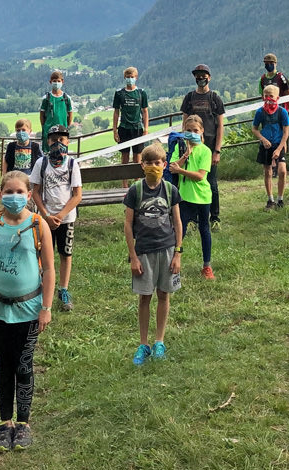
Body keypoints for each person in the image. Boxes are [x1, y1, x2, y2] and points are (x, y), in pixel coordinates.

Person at [0, 171, 55, 452]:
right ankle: (4, 422)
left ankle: (23, 423)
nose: (14, 197)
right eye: (8, 191)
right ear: (0, 194)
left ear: (29, 194)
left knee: (23, 363)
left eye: (20, 192)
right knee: (3, 364)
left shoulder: (38, 225)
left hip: (30, 310)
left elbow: (48, 270)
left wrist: (46, 308)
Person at [124, 143, 183, 365]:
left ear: (164, 165)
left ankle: (159, 340)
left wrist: (178, 253)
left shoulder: (170, 190)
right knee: (145, 297)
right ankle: (143, 344)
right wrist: (133, 256)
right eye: (148, 163)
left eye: (157, 163)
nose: (153, 167)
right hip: (144, 252)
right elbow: (128, 225)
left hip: (167, 250)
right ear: (142, 165)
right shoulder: (134, 191)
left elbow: (177, 222)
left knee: (164, 295)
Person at [29, 125, 82, 312]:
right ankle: (43, 287)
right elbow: (35, 192)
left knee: (65, 254)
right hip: (46, 218)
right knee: (44, 255)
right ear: (47, 141)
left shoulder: (72, 164)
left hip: (66, 219)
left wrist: (59, 215)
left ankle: (63, 288)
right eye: (53, 140)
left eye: (62, 139)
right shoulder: (41, 164)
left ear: (67, 142)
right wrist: (45, 214)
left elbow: (77, 195)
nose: (58, 143)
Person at [179, 64, 225, 229]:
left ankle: (214, 217)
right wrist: (185, 146)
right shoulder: (189, 98)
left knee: (211, 182)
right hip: (191, 147)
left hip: (210, 148)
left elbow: (220, 126)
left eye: (203, 75)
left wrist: (217, 150)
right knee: (191, 181)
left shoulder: (215, 98)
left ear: (209, 77)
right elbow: (184, 124)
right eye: (197, 76)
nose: (200, 78)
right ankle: (194, 218)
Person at [169, 115, 215, 280]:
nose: (192, 133)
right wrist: (185, 156)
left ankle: (207, 266)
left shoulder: (205, 151)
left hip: (202, 197)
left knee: (204, 230)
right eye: (188, 130)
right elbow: (172, 167)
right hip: (184, 197)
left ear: (202, 131)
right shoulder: (180, 148)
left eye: (195, 130)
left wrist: (181, 171)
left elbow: (200, 176)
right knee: (180, 231)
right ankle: (175, 261)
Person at [252, 85, 289, 210]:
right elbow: (255, 129)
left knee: (282, 171)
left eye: (271, 96)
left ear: (277, 98)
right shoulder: (260, 112)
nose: (268, 99)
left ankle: (280, 199)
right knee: (268, 171)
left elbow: (286, 132)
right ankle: (270, 199)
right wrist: (263, 139)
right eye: (266, 96)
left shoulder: (282, 112)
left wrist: (279, 149)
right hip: (266, 145)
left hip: (279, 143)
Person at [112, 66, 150, 172]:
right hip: (124, 128)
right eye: (128, 77)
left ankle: (136, 181)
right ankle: (124, 183)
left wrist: (146, 129)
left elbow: (145, 111)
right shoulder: (119, 93)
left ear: (136, 77)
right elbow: (116, 112)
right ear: (124, 77)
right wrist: (115, 130)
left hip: (137, 128)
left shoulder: (141, 93)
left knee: (138, 157)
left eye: (132, 77)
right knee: (124, 156)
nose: (130, 79)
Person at [38, 71, 73, 152]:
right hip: (49, 130)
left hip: (62, 130)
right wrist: (44, 127)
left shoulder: (66, 98)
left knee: (62, 152)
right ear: (50, 82)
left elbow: (70, 113)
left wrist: (66, 126)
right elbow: (42, 114)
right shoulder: (46, 98)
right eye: (54, 81)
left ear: (62, 81)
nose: (56, 83)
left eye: (58, 81)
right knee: (48, 152)